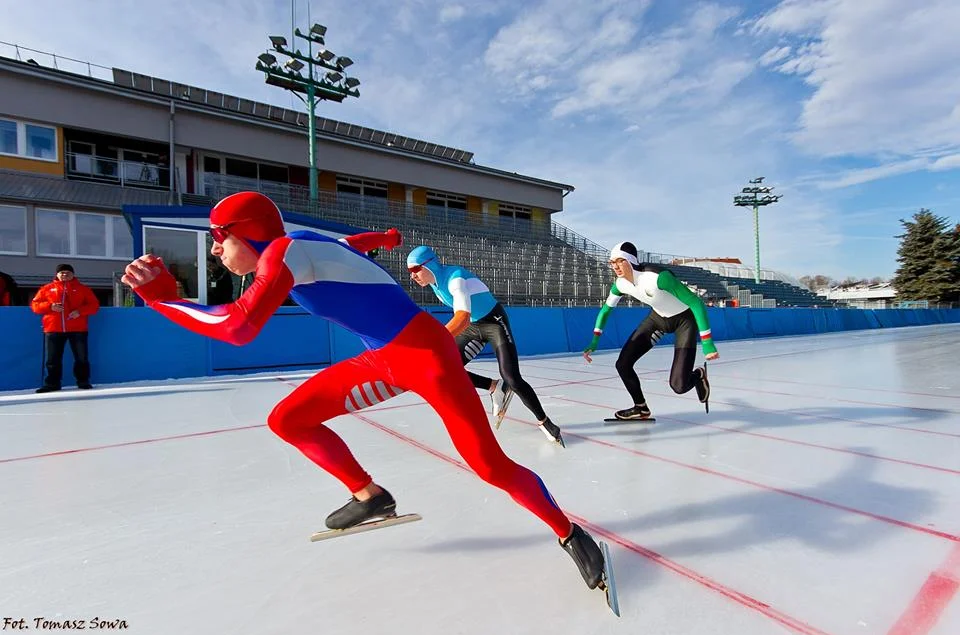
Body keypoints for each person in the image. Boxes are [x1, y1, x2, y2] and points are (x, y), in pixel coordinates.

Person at [120, 191, 607, 590]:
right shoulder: (301, 245)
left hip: (427, 356)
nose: (214, 252)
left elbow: (238, 327)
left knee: (488, 465)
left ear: (244, 233)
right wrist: (387, 237)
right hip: (384, 359)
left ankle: (570, 534)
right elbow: (352, 242)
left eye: (218, 240)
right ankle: (369, 495)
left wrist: (163, 299)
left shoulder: (285, 252)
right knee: (287, 419)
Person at [406, 245, 564, 446]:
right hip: (474, 327)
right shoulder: (434, 284)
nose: (412, 276)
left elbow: (461, 317)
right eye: (410, 272)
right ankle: (493, 386)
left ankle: (545, 421)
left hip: (494, 322)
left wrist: (438, 339)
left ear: (430, 265)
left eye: (414, 270)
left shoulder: (455, 278)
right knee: (444, 367)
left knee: (512, 378)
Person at [583, 242, 719, 420]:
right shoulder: (620, 284)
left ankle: (697, 376)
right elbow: (606, 310)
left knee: (679, 386)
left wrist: (707, 343)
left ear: (631, 261)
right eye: (612, 262)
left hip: (684, 321)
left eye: (619, 261)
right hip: (657, 319)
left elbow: (696, 303)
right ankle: (641, 408)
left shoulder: (658, 278)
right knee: (623, 364)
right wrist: (594, 341)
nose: (615, 266)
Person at [30, 264, 100, 392]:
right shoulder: (47, 289)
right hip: (53, 329)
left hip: (78, 329)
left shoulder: (83, 289)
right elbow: (35, 305)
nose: (65, 275)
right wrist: (50, 306)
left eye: (68, 272)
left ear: (73, 274)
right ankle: (52, 383)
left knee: (81, 357)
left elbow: (94, 305)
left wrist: (80, 311)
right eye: (62, 272)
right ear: (57, 274)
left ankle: (83, 381)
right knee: (52, 359)